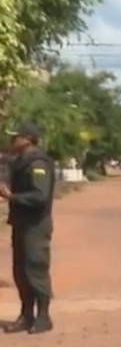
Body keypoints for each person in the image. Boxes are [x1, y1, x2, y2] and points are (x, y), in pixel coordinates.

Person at [2, 123, 56, 334]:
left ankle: (44, 317)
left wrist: (11, 196)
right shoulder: (20, 162)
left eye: (15, 137)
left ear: (27, 139)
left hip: (36, 226)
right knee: (21, 272)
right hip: (21, 223)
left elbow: (39, 196)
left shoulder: (38, 163)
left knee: (36, 269)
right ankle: (26, 315)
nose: (11, 141)